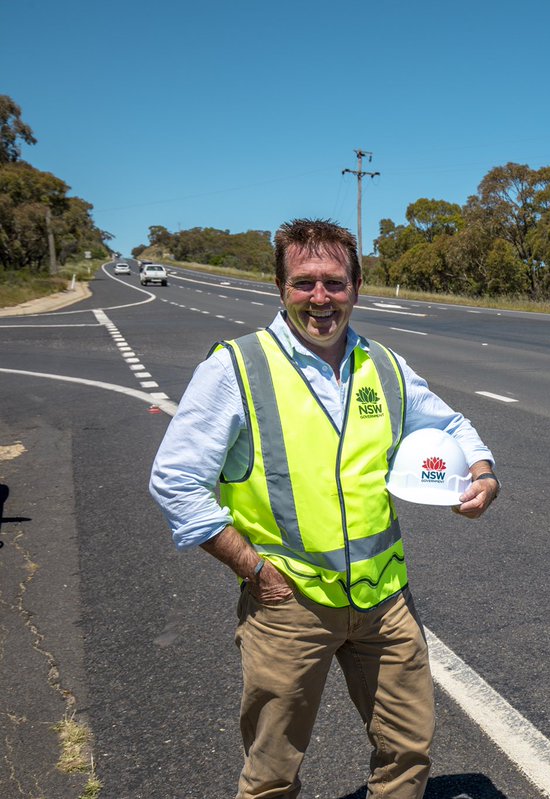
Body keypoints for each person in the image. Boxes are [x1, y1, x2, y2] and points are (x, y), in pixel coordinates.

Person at [149, 218, 499, 798]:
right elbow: (176, 481)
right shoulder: (237, 368)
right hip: (289, 602)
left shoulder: (384, 366)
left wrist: (483, 473)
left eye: (334, 283)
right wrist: (255, 570)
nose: (320, 298)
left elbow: (452, 425)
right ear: (281, 288)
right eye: (304, 283)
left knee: (408, 751)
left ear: (356, 287)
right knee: (271, 773)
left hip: (383, 600)